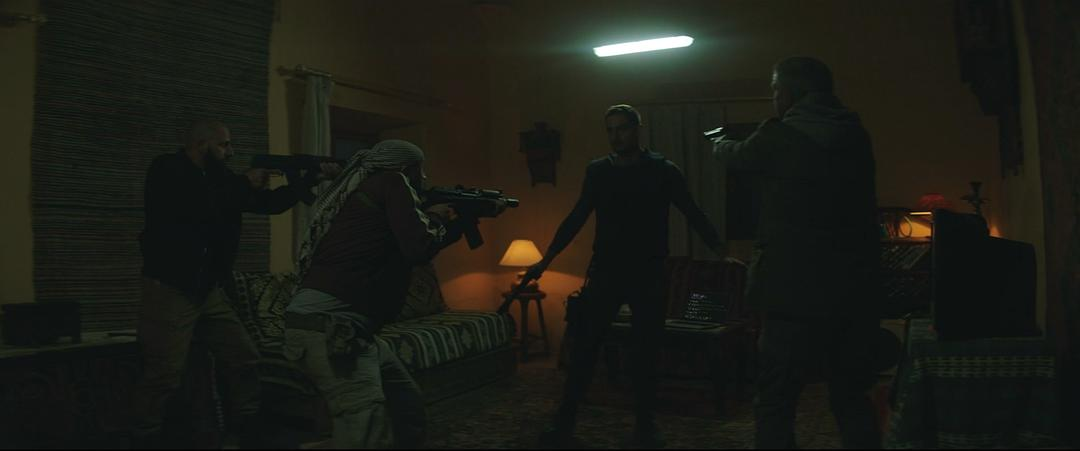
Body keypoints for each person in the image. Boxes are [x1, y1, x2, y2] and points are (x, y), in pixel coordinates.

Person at [525, 104, 726, 448]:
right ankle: (564, 423)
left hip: (648, 272)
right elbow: (577, 217)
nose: (616, 136)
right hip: (606, 270)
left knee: (646, 352)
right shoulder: (599, 171)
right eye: (610, 130)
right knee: (586, 347)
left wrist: (721, 252)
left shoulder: (663, 170)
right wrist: (547, 260)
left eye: (622, 129)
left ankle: (646, 426)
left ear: (637, 129)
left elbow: (692, 212)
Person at [281, 139, 502, 448]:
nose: (423, 177)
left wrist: (456, 220)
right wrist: (437, 216)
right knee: (363, 423)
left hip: (347, 330)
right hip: (330, 329)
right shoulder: (392, 181)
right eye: (418, 169)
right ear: (403, 168)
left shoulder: (365, 192)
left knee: (405, 406)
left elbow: (417, 245)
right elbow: (418, 248)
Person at [133, 120, 341, 448]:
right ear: (202, 144)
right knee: (164, 374)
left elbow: (269, 204)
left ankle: (246, 425)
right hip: (171, 288)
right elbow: (195, 208)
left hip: (208, 290)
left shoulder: (223, 180)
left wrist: (311, 178)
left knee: (243, 357)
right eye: (224, 145)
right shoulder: (168, 169)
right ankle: (143, 435)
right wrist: (244, 182)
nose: (230, 152)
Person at [710, 57, 882, 449]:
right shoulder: (856, 136)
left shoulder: (779, 136)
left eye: (775, 89)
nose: (773, 97)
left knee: (776, 401)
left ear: (789, 93)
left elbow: (737, 156)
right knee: (851, 399)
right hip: (851, 292)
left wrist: (717, 145)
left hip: (791, 293)